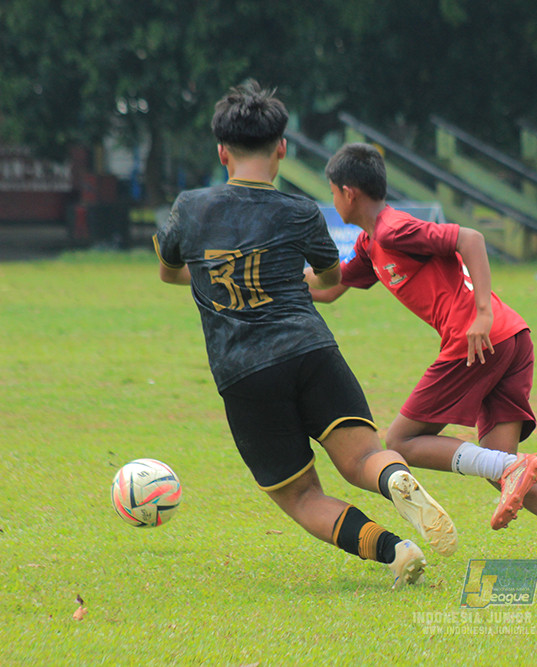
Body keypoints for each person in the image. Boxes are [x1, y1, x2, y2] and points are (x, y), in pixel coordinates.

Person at [153, 81, 456, 589]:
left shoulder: (191, 206)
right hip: (311, 349)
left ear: (221, 151)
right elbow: (332, 278)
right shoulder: (301, 212)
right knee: (360, 457)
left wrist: (214, 274)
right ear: (281, 149)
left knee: (300, 496)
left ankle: (397, 552)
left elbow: (169, 272)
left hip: (244, 373)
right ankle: (393, 478)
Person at [307, 143, 537, 567]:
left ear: (348, 192)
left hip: (476, 340)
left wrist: (483, 313)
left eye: (331, 191)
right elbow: (330, 286)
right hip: (510, 338)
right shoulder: (369, 245)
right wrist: (273, 279)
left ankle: (517, 472)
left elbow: (469, 238)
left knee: (401, 441)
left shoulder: (393, 230)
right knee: (497, 462)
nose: (331, 199)